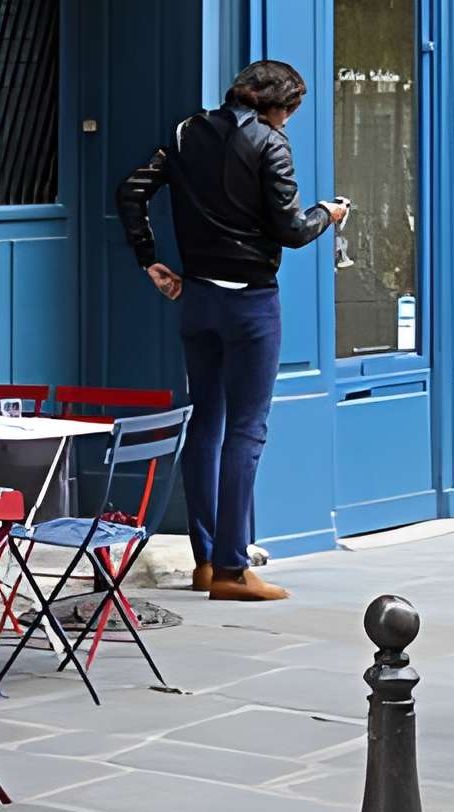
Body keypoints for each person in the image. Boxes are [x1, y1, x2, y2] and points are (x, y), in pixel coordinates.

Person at [114, 60, 347, 603]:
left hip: (196, 298)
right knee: (246, 430)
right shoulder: (270, 144)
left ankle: (205, 561)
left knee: (206, 424)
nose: (288, 122)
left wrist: (150, 259)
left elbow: (131, 192)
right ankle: (233, 569)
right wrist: (328, 213)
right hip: (250, 305)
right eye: (289, 111)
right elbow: (292, 230)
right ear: (274, 106)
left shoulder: (185, 132)